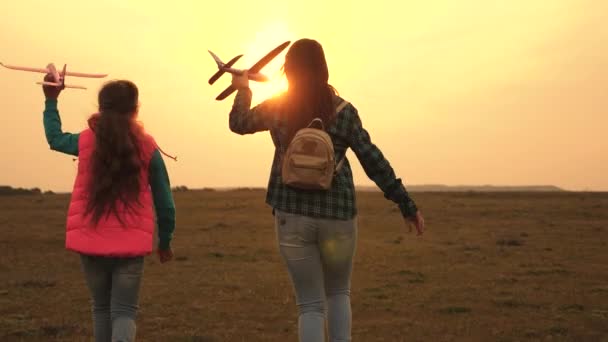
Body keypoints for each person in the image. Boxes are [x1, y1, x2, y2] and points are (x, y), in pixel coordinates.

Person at [228, 39, 425, 342]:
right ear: (323, 69)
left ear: (288, 70)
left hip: (290, 213)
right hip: (338, 215)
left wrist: (243, 88)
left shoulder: (278, 106)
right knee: (338, 293)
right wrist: (406, 203)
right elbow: (373, 160)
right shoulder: (344, 111)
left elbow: (239, 123)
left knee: (309, 305)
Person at [42, 75, 176, 342]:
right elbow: (165, 203)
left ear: (101, 108)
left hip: (89, 245)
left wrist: (51, 100)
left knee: (101, 309)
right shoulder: (148, 147)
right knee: (124, 312)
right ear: (135, 109)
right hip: (130, 248)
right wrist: (165, 241)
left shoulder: (84, 141)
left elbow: (55, 139)